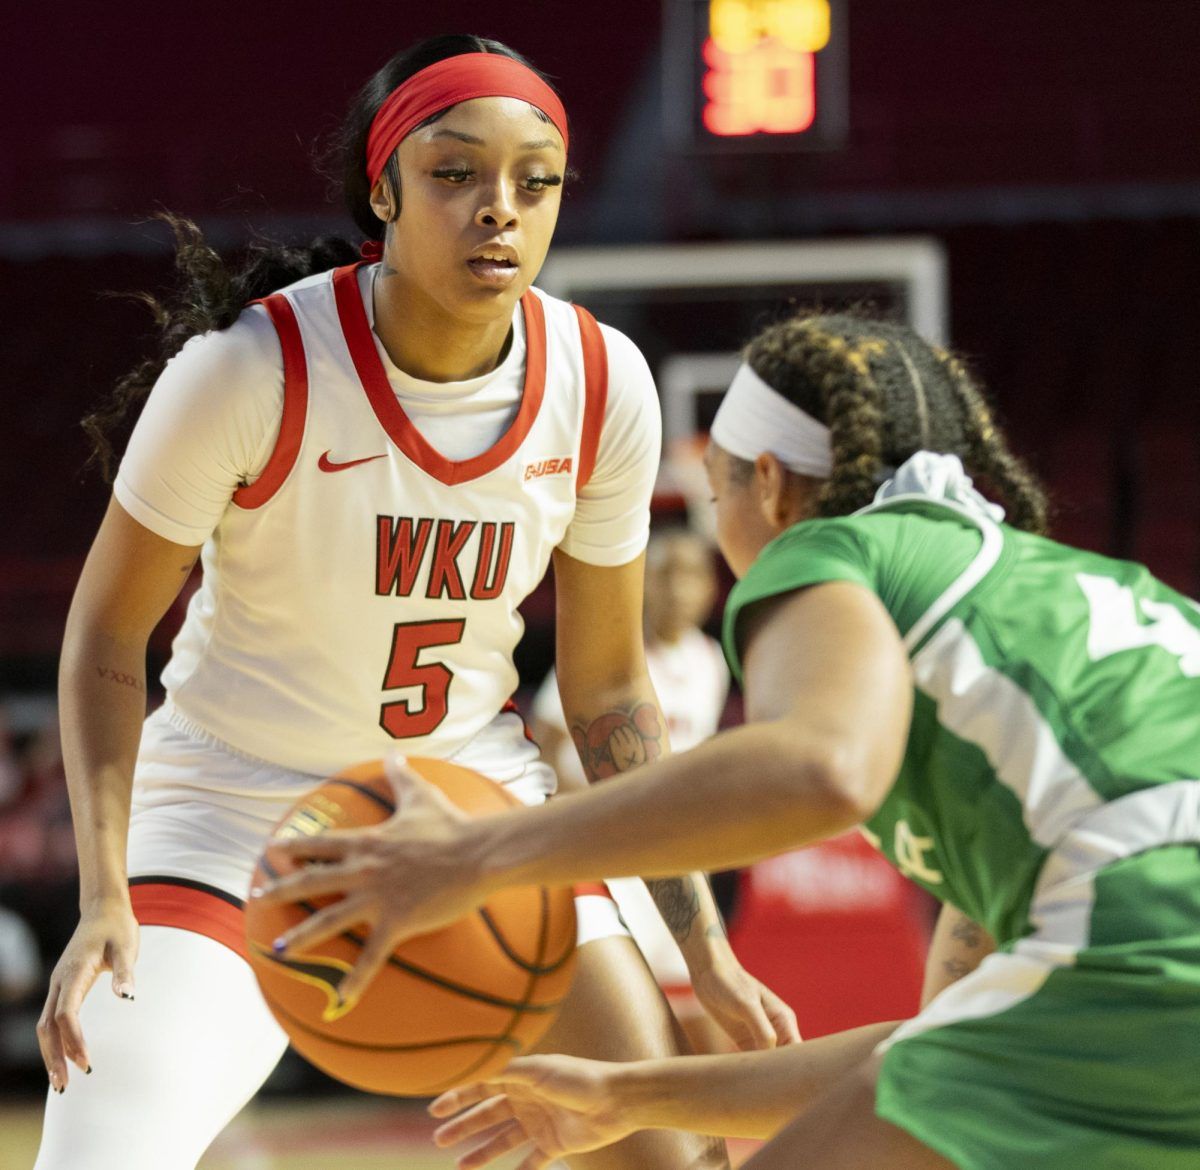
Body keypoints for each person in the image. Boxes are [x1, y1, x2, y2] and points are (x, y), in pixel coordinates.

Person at [34, 34, 795, 1170]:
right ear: (381, 187)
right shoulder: (252, 369)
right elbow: (105, 637)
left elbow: (604, 691)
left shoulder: (601, 383)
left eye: (534, 182)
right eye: (456, 174)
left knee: (663, 1154)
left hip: (466, 800)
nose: (500, 209)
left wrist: (703, 951)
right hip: (236, 810)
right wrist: (102, 894)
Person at [264, 313, 1200, 1169]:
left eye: (715, 495)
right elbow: (941, 1038)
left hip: (1148, 940)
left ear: (770, 483)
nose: (721, 537)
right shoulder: (1066, 608)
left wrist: (477, 856)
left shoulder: (835, 548)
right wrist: (628, 1094)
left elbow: (821, 769)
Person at [531, 527, 733, 1050]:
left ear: (711, 590)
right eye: (666, 575)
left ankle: (715, 1117)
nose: (679, 589)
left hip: (679, 848)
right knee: (631, 1004)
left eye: (691, 576)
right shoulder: (609, 663)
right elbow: (549, 748)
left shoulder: (709, 660)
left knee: (700, 997)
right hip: (614, 845)